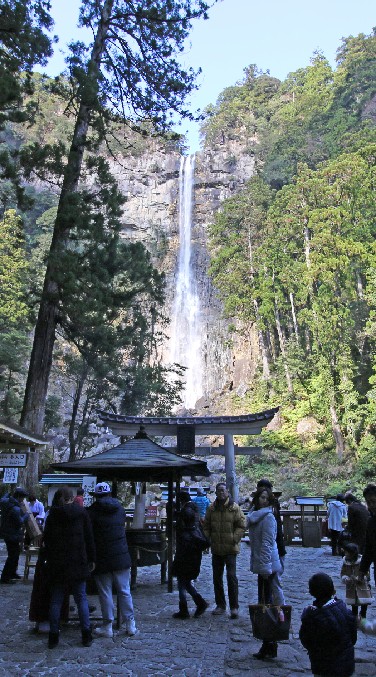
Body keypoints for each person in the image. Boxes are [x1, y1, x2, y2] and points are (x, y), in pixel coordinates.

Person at [43, 486, 95, 649]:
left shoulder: (53, 515)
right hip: (78, 561)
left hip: (58, 563)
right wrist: (92, 558)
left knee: (56, 600)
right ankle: (86, 634)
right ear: (72, 498)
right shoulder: (82, 513)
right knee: (81, 598)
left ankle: (53, 636)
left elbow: (47, 540)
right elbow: (89, 537)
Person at [87, 481, 137, 638]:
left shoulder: (91, 512)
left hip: (102, 557)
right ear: (109, 494)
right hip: (121, 555)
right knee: (124, 591)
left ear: (96, 496)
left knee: (105, 592)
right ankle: (130, 625)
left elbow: (89, 536)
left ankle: (107, 626)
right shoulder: (120, 509)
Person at [247, 486, 284, 660]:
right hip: (263, 566)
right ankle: (269, 643)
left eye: (265, 498)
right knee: (264, 603)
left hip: (267, 566)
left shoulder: (268, 517)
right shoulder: (255, 516)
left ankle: (270, 643)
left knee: (266, 604)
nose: (263, 500)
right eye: (260, 497)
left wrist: (264, 568)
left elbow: (268, 544)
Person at [299, 572, 357, 677]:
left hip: (323, 666)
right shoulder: (344, 610)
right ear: (332, 589)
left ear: (311, 592)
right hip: (346, 664)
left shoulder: (312, 616)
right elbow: (353, 637)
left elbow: (306, 640)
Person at [203, 482, 246, 619]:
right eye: (218, 490)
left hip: (230, 549)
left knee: (231, 577)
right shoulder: (211, 509)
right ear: (215, 493)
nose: (221, 493)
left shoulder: (234, 508)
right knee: (217, 578)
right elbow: (206, 526)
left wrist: (235, 538)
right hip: (216, 548)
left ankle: (234, 607)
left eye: (223, 490)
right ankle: (220, 605)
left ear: (227, 492)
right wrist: (208, 539)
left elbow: (241, 524)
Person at [171, 491, 209, 619]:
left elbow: (183, 549)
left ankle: (189, 607)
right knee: (184, 582)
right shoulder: (194, 512)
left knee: (183, 581)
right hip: (192, 557)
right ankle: (196, 604)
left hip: (185, 557)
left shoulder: (187, 530)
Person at [256, 478, 286, 605]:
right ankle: (267, 607)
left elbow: (271, 537)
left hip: (273, 550)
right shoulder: (264, 509)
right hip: (270, 549)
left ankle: (278, 609)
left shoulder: (269, 511)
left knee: (273, 582)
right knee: (269, 582)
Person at [0, 486, 30, 584]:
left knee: (15, 554)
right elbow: (20, 521)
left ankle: (12, 573)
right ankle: (5, 577)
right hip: (12, 534)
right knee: (12, 556)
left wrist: (8, 493)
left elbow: (4, 497)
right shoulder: (15, 508)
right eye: (22, 498)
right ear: (19, 497)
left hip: (7, 532)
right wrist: (26, 515)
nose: (23, 500)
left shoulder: (6, 502)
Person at [341, 542, 372, 619]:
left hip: (362, 585)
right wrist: (345, 578)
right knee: (354, 603)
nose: (345, 553)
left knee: (364, 602)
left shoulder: (361, 562)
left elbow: (367, 573)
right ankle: (354, 618)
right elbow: (343, 572)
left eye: (347, 552)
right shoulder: (345, 562)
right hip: (351, 586)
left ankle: (363, 615)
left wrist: (360, 578)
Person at [358, 483, 376, 585]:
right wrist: (362, 572)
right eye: (368, 502)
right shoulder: (371, 522)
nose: (371, 505)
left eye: (373, 501)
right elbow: (369, 548)